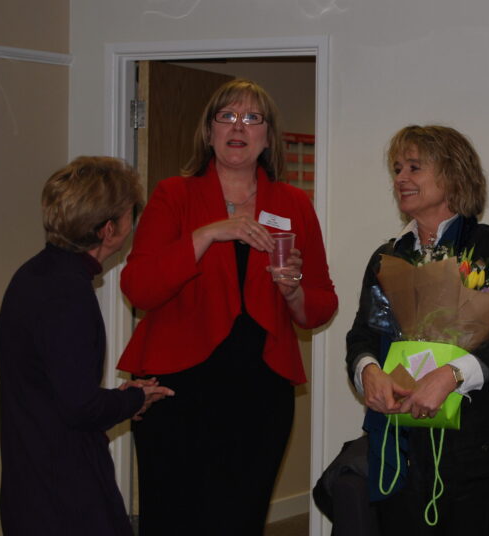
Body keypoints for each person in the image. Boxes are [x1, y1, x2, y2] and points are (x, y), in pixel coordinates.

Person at [117, 78, 338, 535]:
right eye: (227, 116)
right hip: (177, 388)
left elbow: (320, 304)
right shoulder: (174, 195)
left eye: (252, 118)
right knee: (172, 519)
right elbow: (138, 287)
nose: (239, 126)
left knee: (239, 518)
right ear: (209, 131)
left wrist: (292, 289)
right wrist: (208, 234)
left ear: (267, 135)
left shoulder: (292, 203)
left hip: (259, 392)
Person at [345, 125, 489, 535]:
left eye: (414, 167)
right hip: (398, 449)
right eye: (397, 169)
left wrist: (451, 376)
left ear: (453, 174)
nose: (400, 179)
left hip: (470, 455)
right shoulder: (387, 256)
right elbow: (362, 335)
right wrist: (368, 371)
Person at [0, 156, 175, 535]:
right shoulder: (67, 294)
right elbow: (79, 407)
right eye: (129, 215)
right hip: (63, 492)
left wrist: (120, 397)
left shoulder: (34, 275)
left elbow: (58, 388)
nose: (132, 225)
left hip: (30, 481)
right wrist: (134, 400)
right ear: (108, 230)